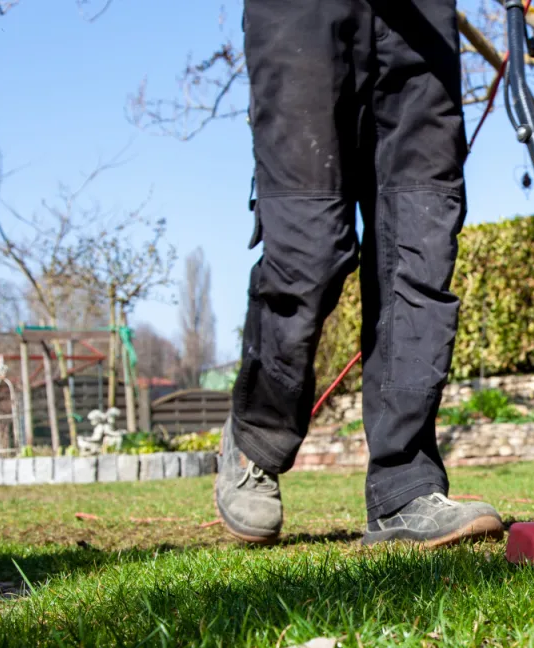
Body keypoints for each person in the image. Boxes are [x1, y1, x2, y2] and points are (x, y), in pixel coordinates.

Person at [215, 0, 503, 548]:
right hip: (304, 14)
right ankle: (255, 440)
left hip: (422, 21)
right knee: (309, 249)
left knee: (420, 242)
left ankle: (404, 486)